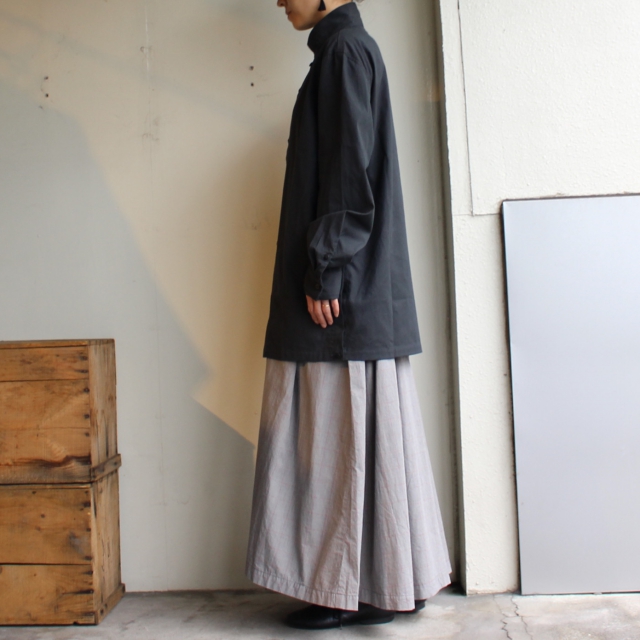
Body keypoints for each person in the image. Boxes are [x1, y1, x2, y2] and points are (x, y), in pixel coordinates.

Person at [245, 0, 451, 630]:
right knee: (372, 434)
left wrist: (325, 267)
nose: (278, 1)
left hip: (344, 295)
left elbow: (346, 170)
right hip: (361, 290)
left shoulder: (341, 53)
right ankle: (393, 581)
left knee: (336, 437)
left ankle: (344, 592)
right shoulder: (349, 51)